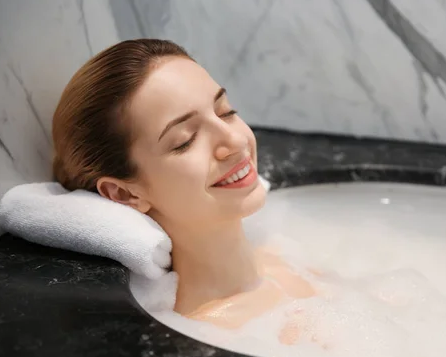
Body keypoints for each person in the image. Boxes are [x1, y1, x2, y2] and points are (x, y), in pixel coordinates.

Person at [52, 39, 316, 338]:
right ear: (124, 194)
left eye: (225, 111)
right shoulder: (212, 335)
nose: (235, 141)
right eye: (185, 140)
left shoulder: (286, 259)